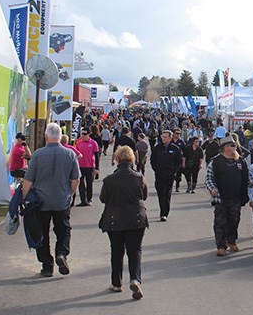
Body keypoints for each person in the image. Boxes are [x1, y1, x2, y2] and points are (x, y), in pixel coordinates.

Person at [21, 123, 80, 277]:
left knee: (41, 233)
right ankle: (61, 253)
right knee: (63, 230)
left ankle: (47, 264)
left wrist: (23, 198)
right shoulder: (70, 154)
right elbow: (75, 180)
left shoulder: (37, 155)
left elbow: (28, 181)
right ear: (60, 137)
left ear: (46, 136)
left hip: (41, 201)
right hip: (62, 199)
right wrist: (70, 194)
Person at [99, 146, 148, 299]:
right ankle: (135, 279)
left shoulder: (109, 180)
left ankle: (116, 283)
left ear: (117, 159)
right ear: (132, 159)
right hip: (136, 218)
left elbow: (103, 198)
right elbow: (144, 196)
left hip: (115, 219)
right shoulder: (139, 178)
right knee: (135, 251)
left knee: (116, 251)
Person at [205, 136, 251, 256]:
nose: (234, 147)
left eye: (235, 145)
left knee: (234, 220)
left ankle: (231, 241)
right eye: (231, 145)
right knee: (220, 222)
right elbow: (209, 178)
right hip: (221, 198)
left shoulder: (240, 161)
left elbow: (247, 178)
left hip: (236, 197)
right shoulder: (216, 161)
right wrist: (212, 188)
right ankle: (221, 245)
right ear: (224, 148)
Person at [150, 130, 182, 221]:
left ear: (170, 138)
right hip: (159, 175)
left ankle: (164, 213)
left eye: (165, 137)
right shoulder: (157, 148)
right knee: (160, 194)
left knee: (167, 194)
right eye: (162, 137)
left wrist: (173, 172)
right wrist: (156, 169)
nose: (163, 138)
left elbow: (178, 161)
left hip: (169, 175)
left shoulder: (175, 148)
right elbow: (153, 160)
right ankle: (162, 210)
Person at [75, 128, 100, 206]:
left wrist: (97, 168)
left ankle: (89, 199)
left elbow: (97, 156)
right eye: (82, 134)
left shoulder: (93, 143)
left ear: (89, 134)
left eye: (85, 134)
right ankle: (83, 200)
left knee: (89, 184)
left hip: (90, 166)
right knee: (81, 184)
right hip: (80, 166)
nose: (83, 135)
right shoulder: (78, 143)